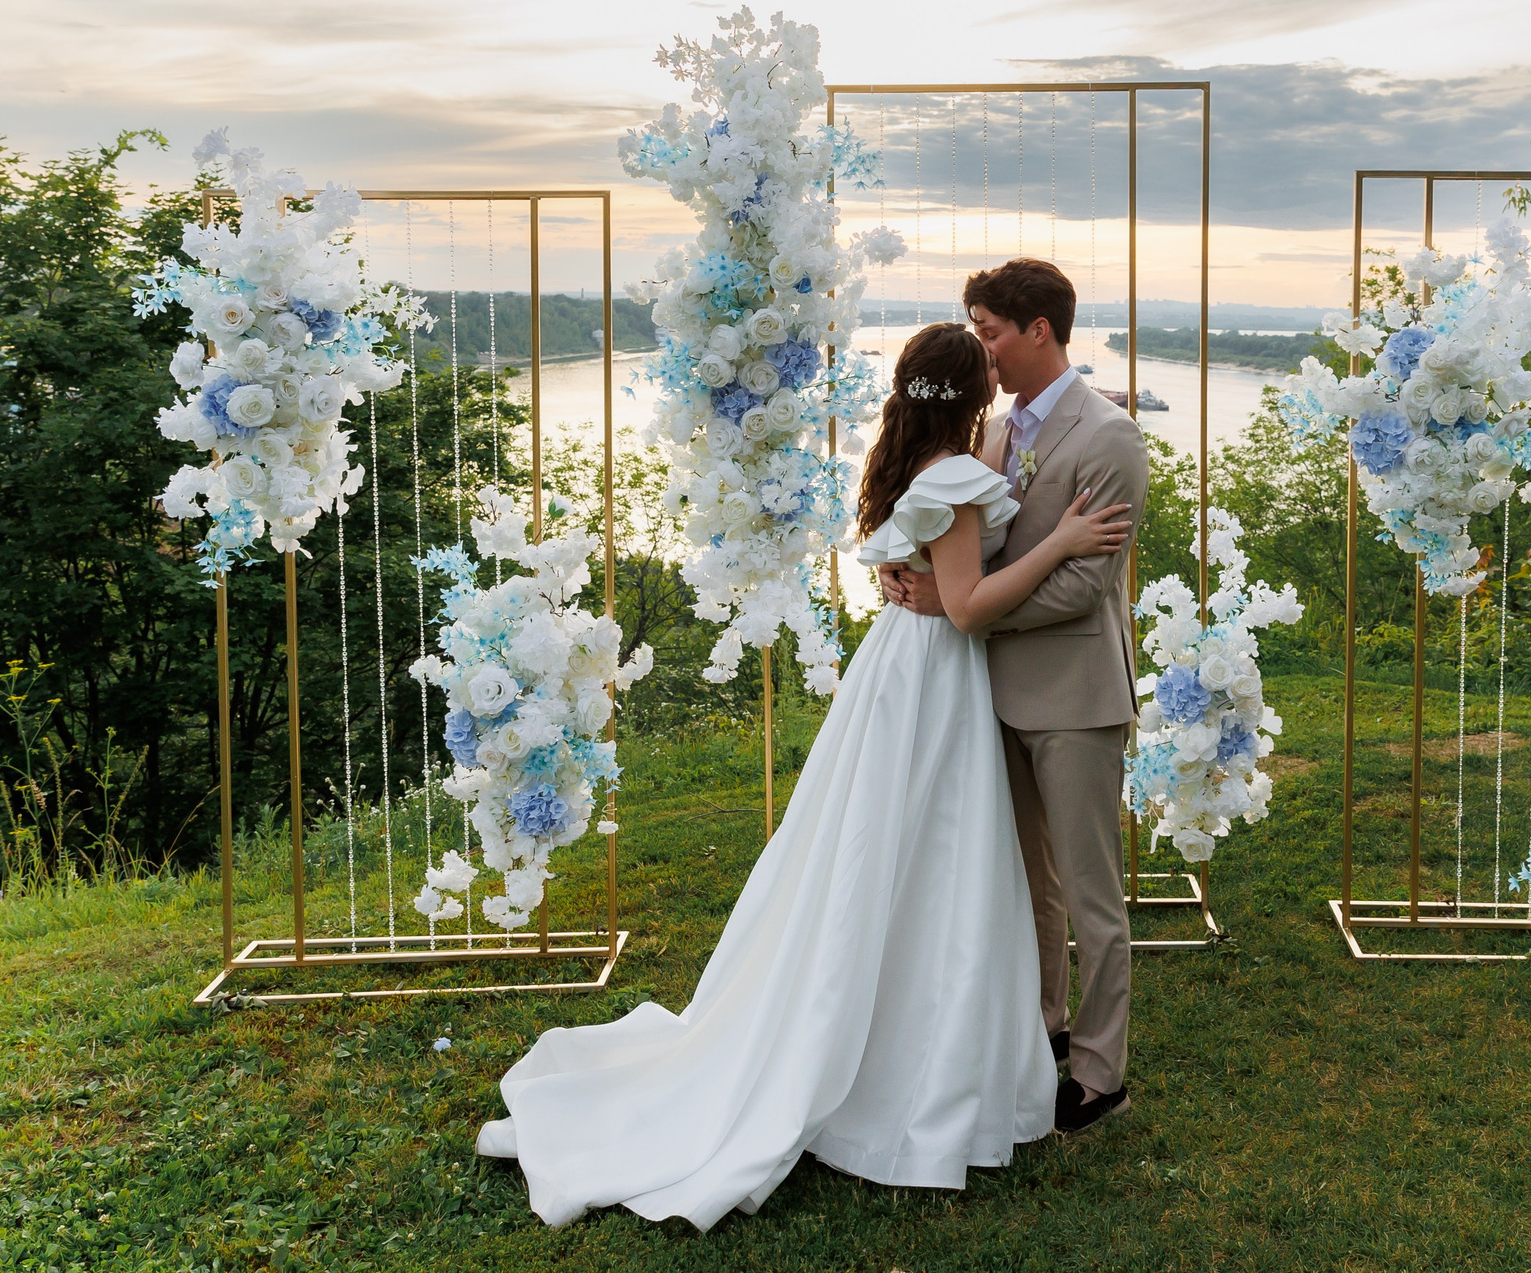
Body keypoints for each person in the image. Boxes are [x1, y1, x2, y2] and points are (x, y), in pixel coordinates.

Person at [473, 321, 1133, 1230]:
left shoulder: (920, 460)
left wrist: (934, 582)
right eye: (982, 358)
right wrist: (1059, 541)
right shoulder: (959, 474)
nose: (994, 366)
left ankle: (951, 1022)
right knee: (939, 854)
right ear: (971, 390)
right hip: (938, 676)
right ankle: (922, 1054)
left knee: (889, 850)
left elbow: (932, 575)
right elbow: (972, 606)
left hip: (901, 671)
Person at [878, 258, 1149, 1134]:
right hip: (989, 695)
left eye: (990, 330)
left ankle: (1102, 1070)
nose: (981, 347)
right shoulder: (989, 436)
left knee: (1090, 887)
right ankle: (1043, 1026)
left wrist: (964, 616)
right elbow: (969, 550)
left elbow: (1085, 586)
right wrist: (916, 575)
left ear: (1039, 330)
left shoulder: (1109, 435)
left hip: (1072, 693)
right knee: (1030, 885)